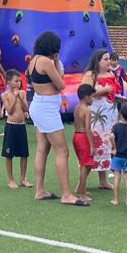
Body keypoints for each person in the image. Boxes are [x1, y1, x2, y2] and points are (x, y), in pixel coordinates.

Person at [27, 31, 87, 206]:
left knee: (42, 149)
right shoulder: (46, 62)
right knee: (62, 151)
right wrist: (56, 61)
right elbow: (61, 84)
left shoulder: (34, 59)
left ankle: (40, 190)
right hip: (46, 109)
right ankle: (66, 195)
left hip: (40, 105)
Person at [80, 50, 119, 191]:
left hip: (110, 114)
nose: (108, 62)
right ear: (97, 61)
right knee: (95, 145)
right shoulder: (90, 75)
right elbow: (84, 92)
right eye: (105, 59)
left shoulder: (111, 73)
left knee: (107, 145)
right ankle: (81, 183)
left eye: (109, 59)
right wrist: (104, 90)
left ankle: (103, 180)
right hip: (97, 115)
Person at [0, 72, 30, 189]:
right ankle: (11, 179)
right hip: (11, 126)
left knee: (24, 153)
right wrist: (15, 98)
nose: (18, 83)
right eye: (16, 81)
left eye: (19, 81)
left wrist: (20, 98)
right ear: (9, 82)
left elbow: (26, 108)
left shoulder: (23, 93)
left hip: (21, 125)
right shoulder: (5, 95)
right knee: (9, 154)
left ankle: (23, 178)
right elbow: (10, 110)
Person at [71, 85, 97, 203]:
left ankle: (81, 188)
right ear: (86, 97)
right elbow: (87, 128)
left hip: (76, 135)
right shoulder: (87, 110)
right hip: (83, 137)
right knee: (85, 165)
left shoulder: (77, 108)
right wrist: (92, 145)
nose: (93, 99)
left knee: (88, 164)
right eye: (92, 97)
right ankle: (81, 193)